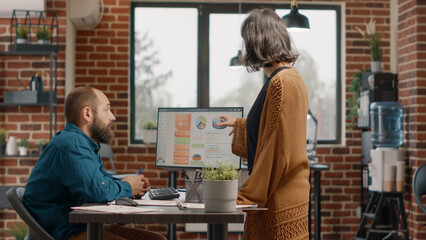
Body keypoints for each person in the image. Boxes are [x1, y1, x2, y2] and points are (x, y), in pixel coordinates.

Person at [23, 87, 166, 240]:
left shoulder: (84, 144)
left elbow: (101, 181)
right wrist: (129, 187)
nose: (112, 117)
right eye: (107, 110)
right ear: (87, 114)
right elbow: (98, 191)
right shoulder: (72, 144)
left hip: (82, 225)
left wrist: (133, 185)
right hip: (65, 231)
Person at [216, 8, 310, 240]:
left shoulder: (281, 83)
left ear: (257, 42)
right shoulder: (288, 77)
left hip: (277, 200)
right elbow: (274, 129)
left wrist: (246, 195)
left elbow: (276, 149)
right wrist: (240, 125)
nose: (246, 48)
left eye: (247, 41)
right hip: (284, 194)